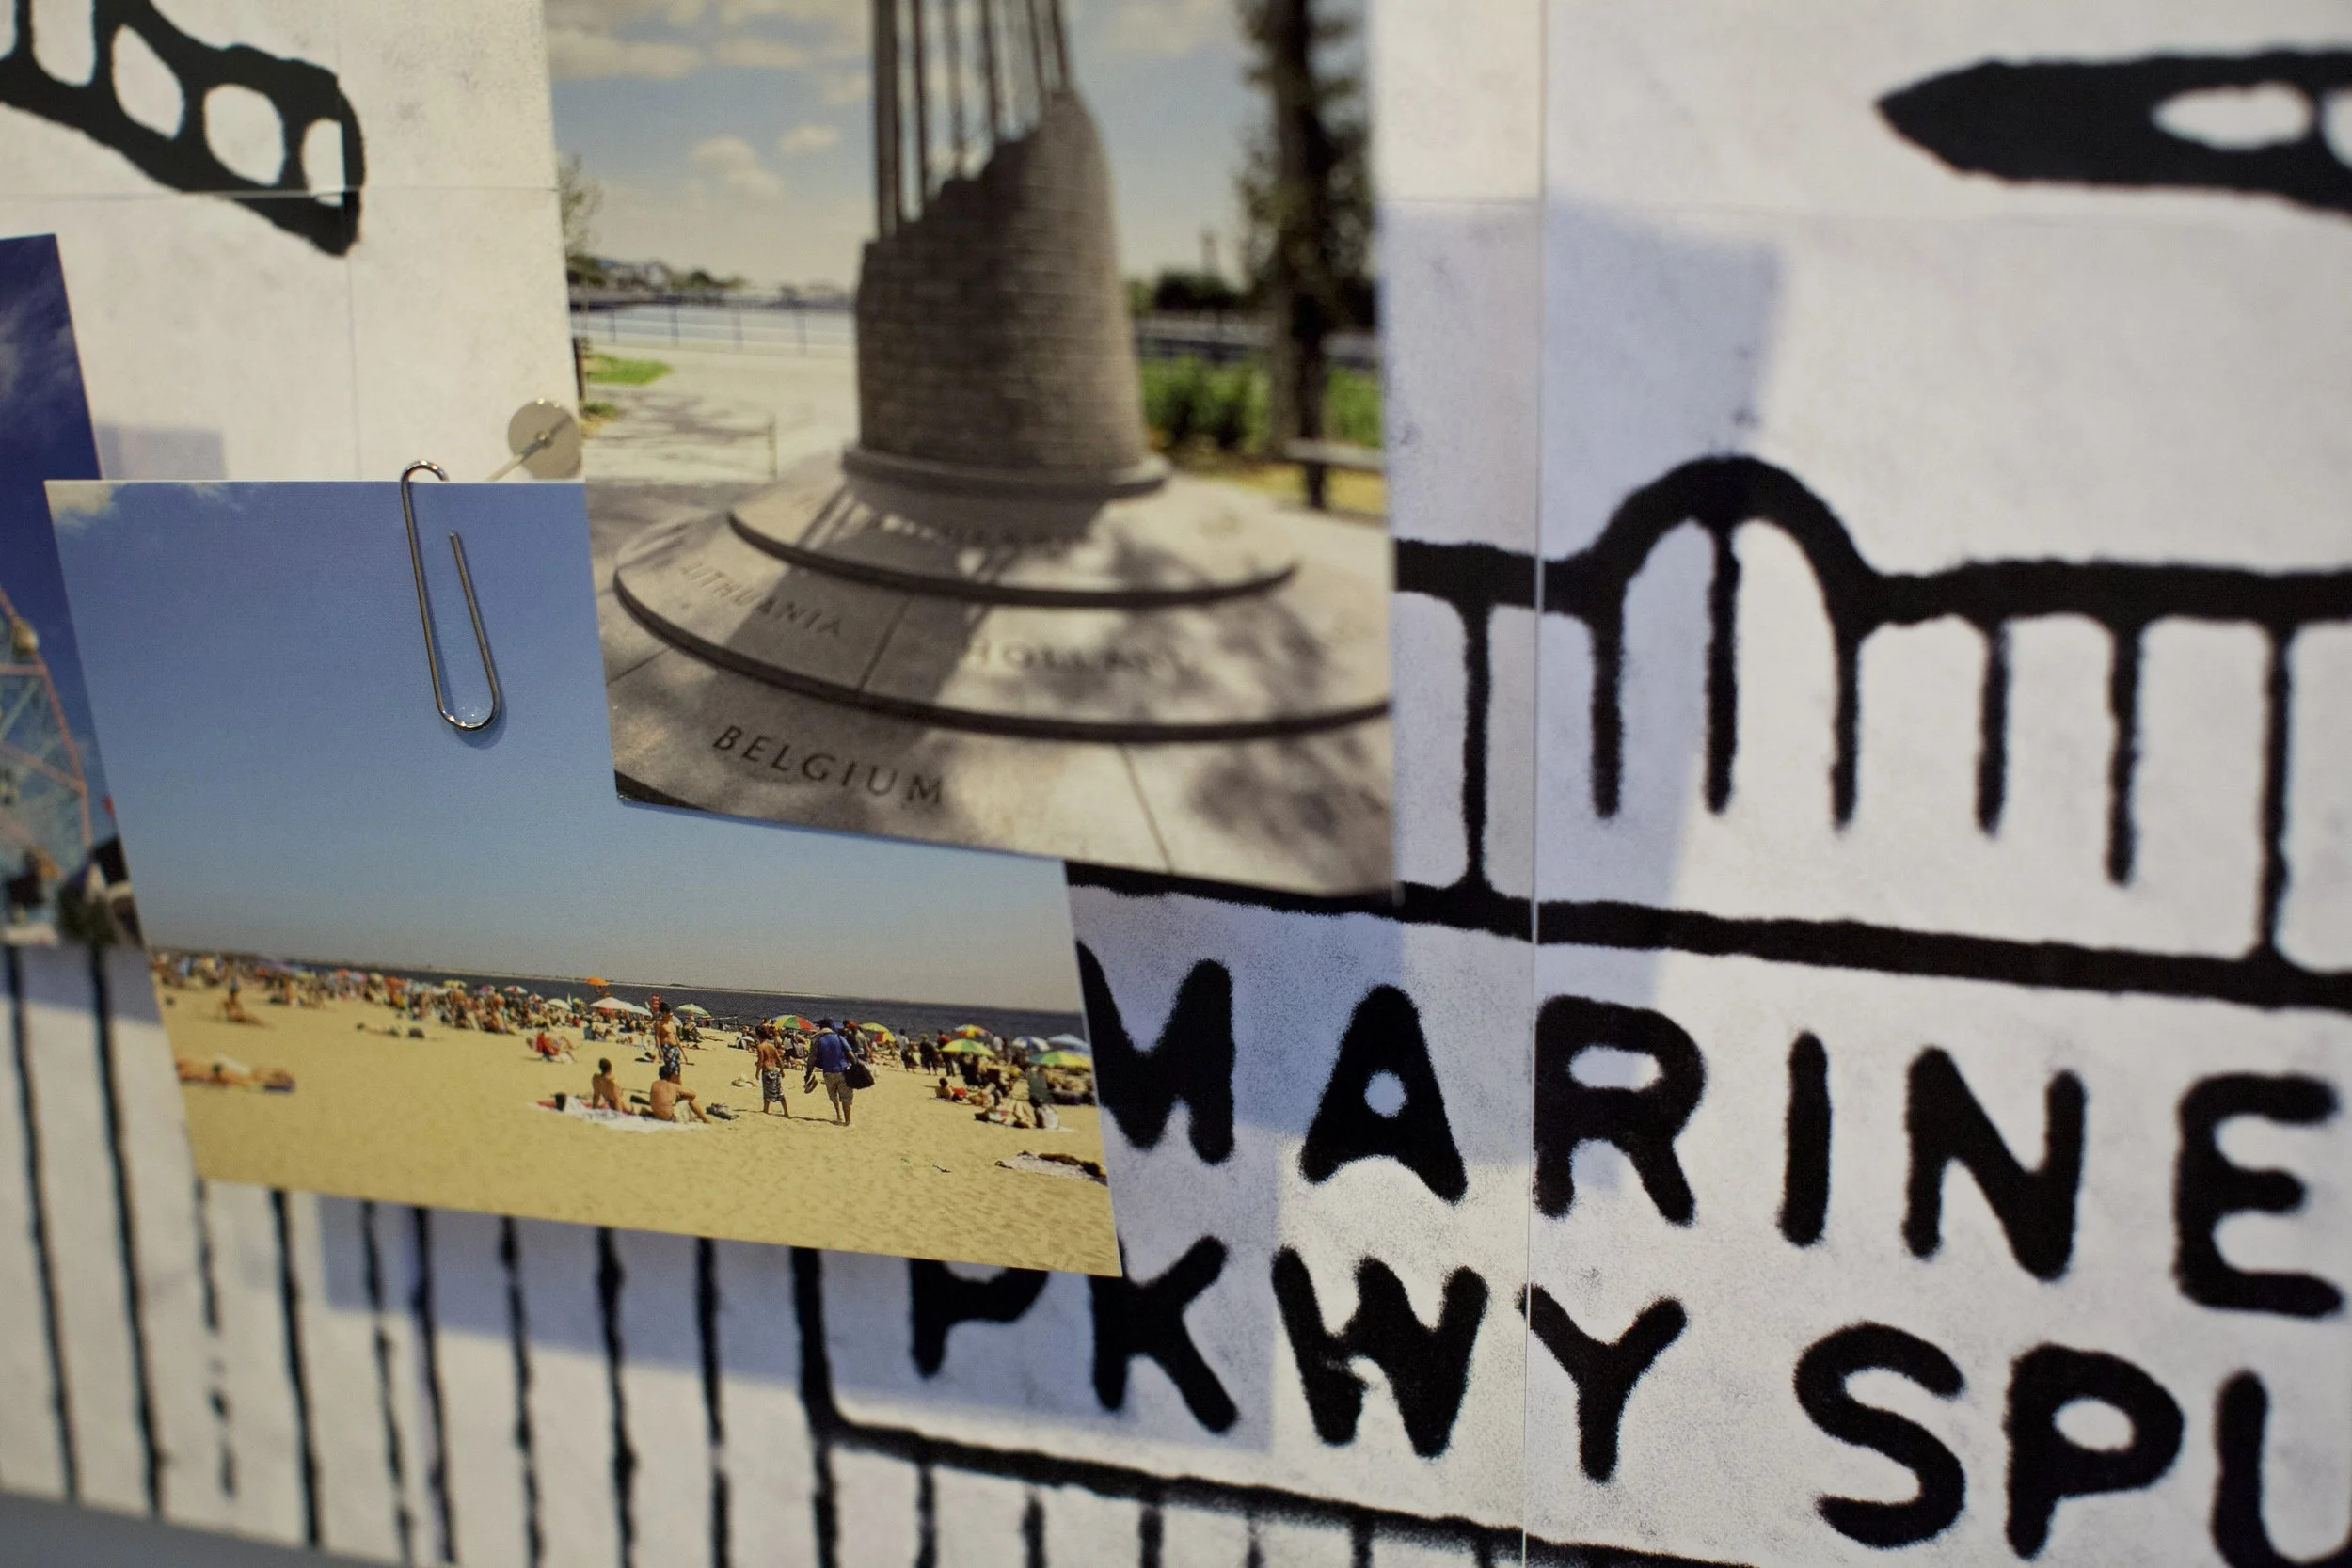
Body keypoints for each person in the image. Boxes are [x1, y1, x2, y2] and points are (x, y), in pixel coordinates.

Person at [810, 1021, 855, 1125]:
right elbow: (850, 1054)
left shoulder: (817, 1040)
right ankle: (847, 1121)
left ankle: (839, 1115)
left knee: (833, 1096)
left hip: (828, 1072)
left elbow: (812, 1059)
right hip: (844, 1070)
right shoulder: (839, 1037)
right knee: (846, 1097)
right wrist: (855, 1066)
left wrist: (808, 1074)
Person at [646, 1063, 710, 1124]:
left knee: (677, 1101)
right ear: (671, 1075)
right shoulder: (672, 1086)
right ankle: (705, 1119)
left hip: (658, 1115)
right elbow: (693, 1094)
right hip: (670, 1118)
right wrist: (679, 1079)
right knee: (690, 1099)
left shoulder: (654, 1084)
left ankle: (695, 1117)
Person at [755, 1034, 788, 1117]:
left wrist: (757, 1072)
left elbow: (760, 1061)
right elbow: (779, 1059)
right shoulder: (772, 1046)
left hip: (767, 1070)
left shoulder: (760, 1047)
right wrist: (782, 1070)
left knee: (766, 1091)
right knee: (779, 1091)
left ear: (758, 1036)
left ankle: (766, 1109)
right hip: (775, 1070)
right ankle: (786, 1112)